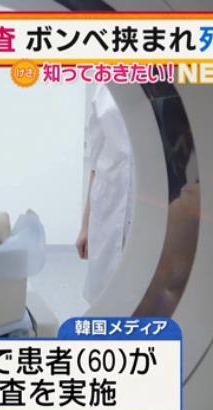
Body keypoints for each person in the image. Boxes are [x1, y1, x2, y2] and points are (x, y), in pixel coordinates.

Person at [76, 85, 135, 304]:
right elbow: (95, 164)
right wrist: (85, 226)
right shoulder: (104, 90)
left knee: (142, 292)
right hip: (107, 204)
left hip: (147, 204)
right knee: (104, 293)